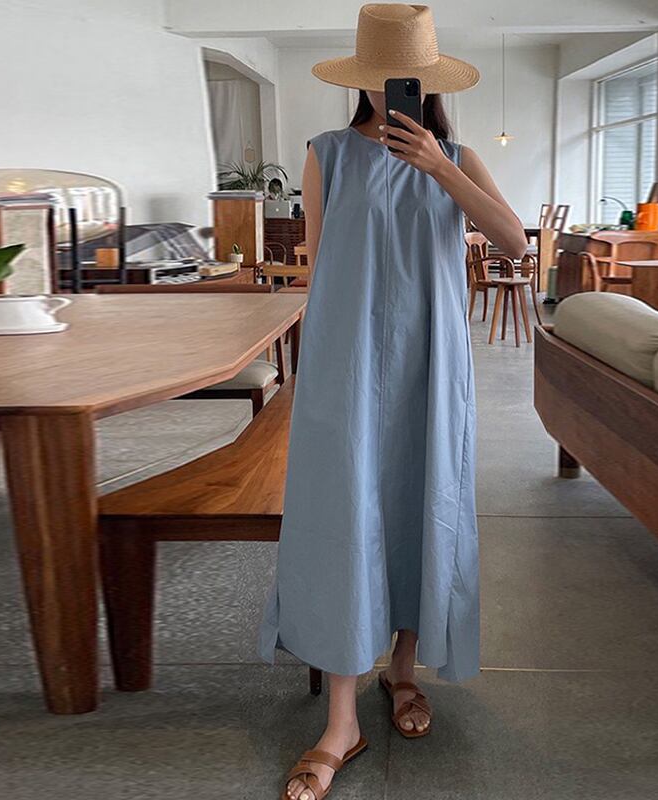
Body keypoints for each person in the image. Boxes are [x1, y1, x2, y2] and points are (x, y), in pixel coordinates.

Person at [258, 5, 527, 799]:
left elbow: (515, 242)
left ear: (427, 86)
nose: (391, 91)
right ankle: (340, 721)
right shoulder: (328, 153)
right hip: (347, 362)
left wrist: (440, 168)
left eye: (404, 79)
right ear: (362, 82)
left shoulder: (459, 157)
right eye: (380, 78)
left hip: (431, 361)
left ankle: (403, 673)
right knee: (344, 516)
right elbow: (322, 266)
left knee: (421, 504)